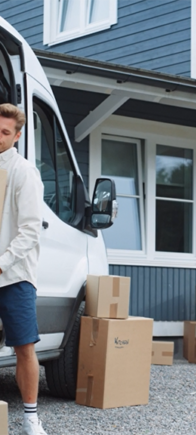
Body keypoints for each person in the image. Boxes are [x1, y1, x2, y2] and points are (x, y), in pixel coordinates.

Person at [0, 104, 46, 434]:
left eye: (4, 132)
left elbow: (30, 229)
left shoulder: (23, 171)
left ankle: (30, 419)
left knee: (24, 348)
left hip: (14, 275)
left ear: (17, 136)